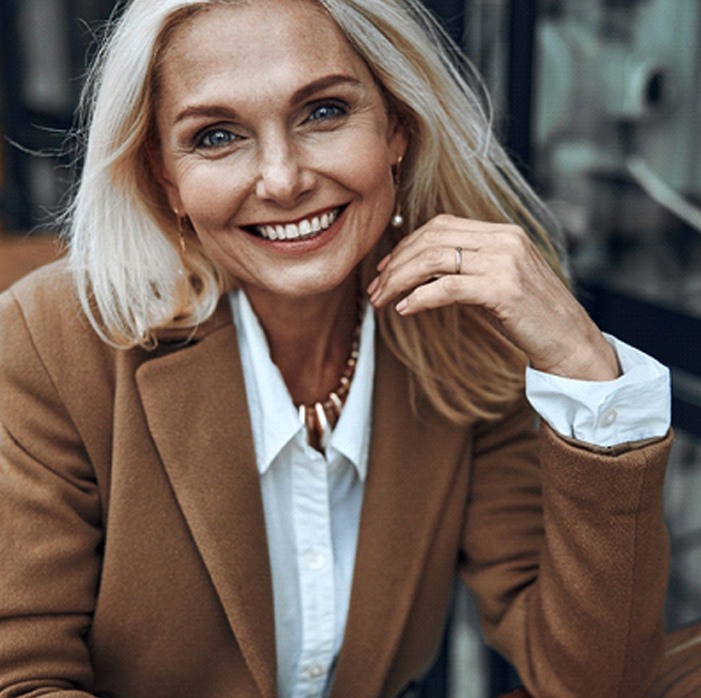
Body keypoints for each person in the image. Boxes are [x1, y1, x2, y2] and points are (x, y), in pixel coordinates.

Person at [0, 0, 672, 696]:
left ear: (397, 129)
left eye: (322, 113)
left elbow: (596, 678)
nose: (283, 179)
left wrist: (586, 374)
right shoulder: (51, 340)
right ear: (165, 177)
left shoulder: (460, 332)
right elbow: (21, 679)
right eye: (216, 136)